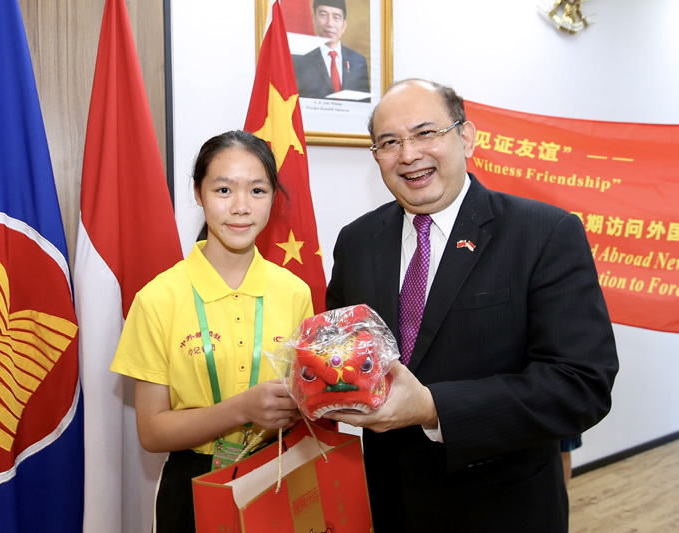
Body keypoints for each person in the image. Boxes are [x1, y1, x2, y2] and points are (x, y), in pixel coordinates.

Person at [325, 79, 619, 532]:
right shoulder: (357, 241)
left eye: (426, 133)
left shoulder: (544, 233)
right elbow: (344, 353)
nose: (408, 154)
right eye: (389, 142)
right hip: (389, 504)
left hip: (503, 509)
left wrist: (433, 407)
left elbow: (581, 385)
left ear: (466, 137)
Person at [110, 130, 313, 532]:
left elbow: (304, 400)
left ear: (273, 197)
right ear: (198, 194)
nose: (241, 207)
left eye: (257, 190)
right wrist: (242, 409)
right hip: (192, 484)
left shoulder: (295, 292)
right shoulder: (157, 298)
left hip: (278, 475)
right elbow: (151, 432)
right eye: (223, 189)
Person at [293, 0, 370, 99]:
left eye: (336, 17)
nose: (330, 24)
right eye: (323, 15)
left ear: (344, 25)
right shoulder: (299, 59)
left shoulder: (358, 61)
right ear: (314, 19)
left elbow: (364, 102)